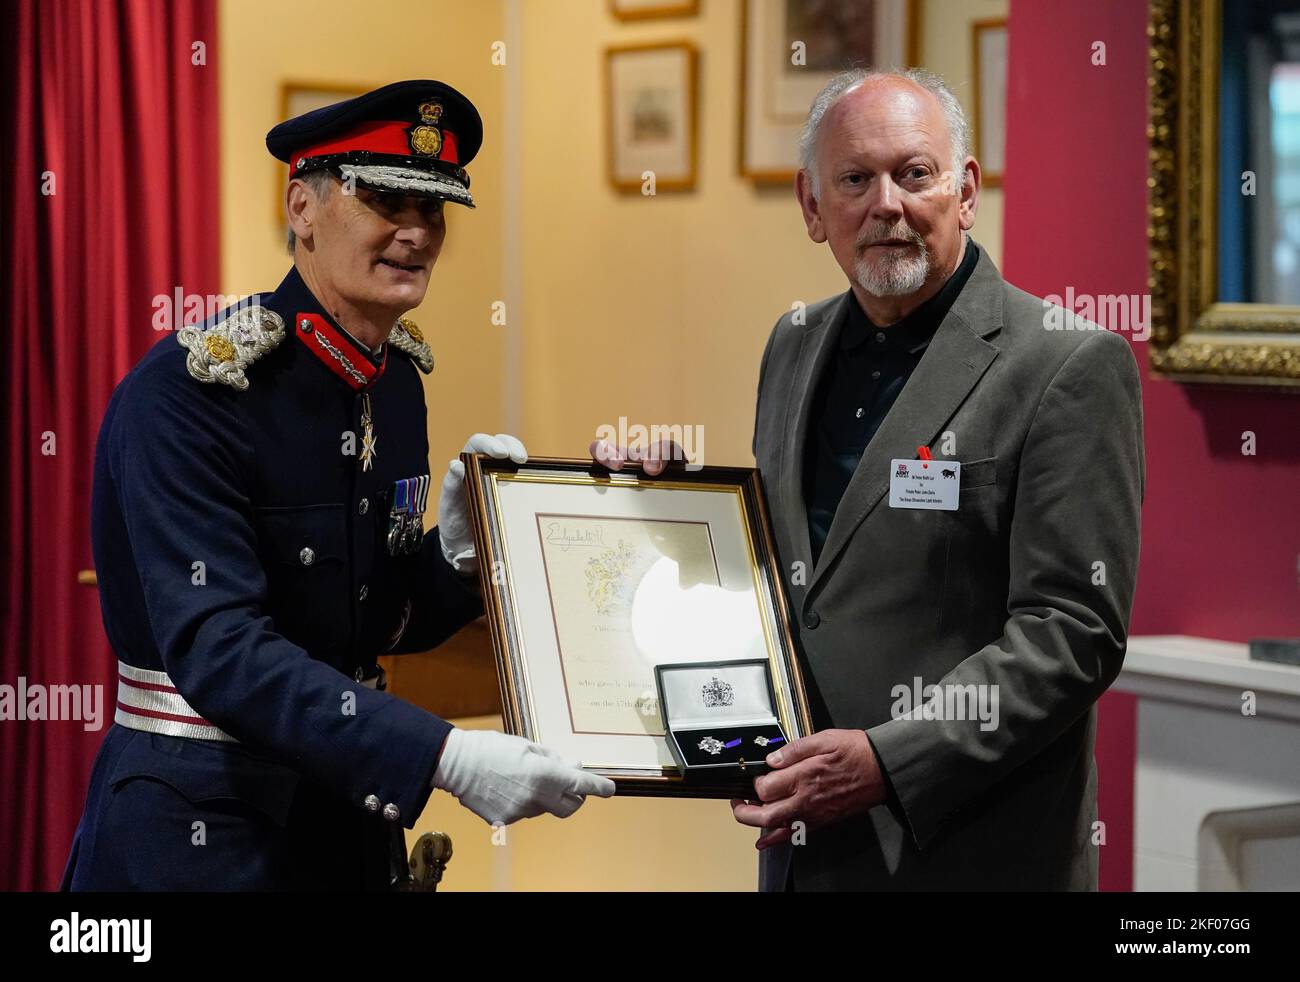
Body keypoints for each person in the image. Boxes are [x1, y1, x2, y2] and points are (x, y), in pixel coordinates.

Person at [595, 68, 1144, 890]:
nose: (885, 203)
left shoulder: (1066, 361)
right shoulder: (795, 341)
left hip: (972, 849)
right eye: (854, 179)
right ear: (813, 208)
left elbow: (1072, 635)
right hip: (806, 841)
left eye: (913, 174)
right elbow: (804, 575)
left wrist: (888, 762)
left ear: (964, 191)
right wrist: (674, 506)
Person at [64, 79, 612, 891]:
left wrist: (458, 555)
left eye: (435, 210)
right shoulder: (192, 391)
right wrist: (443, 754)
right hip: (203, 828)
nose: (417, 232)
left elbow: (371, 624)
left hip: (349, 825)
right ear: (302, 207)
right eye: (386, 199)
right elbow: (220, 650)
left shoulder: (393, 383)